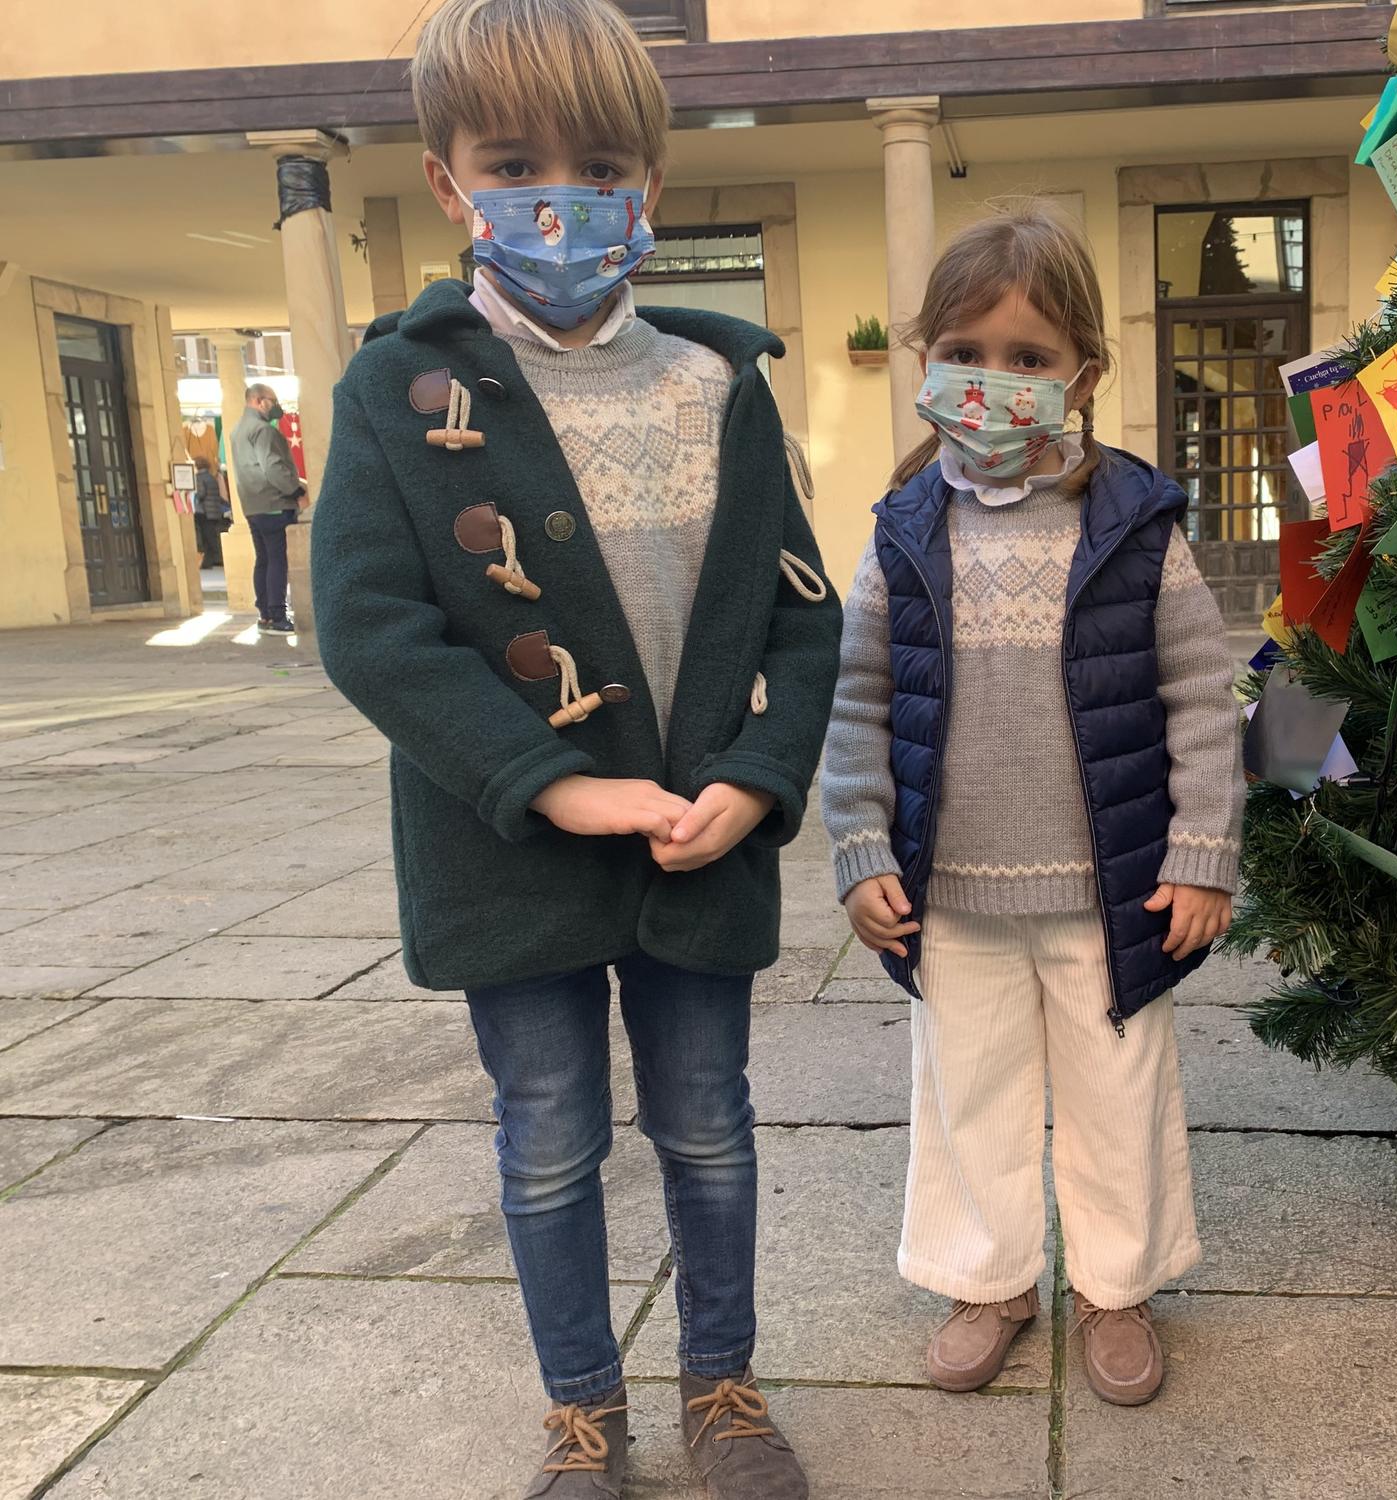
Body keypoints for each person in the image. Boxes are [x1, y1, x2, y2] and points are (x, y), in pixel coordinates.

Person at [309, 1, 841, 1494]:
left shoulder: (718, 385)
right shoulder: (394, 394)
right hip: (511, 858)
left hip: (700, 845)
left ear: (650, 186)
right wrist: (548, 779)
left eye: (600, 162)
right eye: (516, 159)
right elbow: (370, 624)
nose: (563, 192)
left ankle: (723, 1389)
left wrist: (758, 778)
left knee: (709, 1129)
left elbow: (804, 619)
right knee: (548, 1138)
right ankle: (581, 1412)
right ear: (447, 181)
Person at [820, 208, 1245, 1408]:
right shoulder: (903, 536)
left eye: (1027, 358)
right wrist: (858, 844)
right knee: (968, 1091)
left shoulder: (1135, 530)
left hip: (1109, 886)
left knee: (1118, 1090)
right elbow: (854, 696)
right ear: (923, 363)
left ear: (1082, 376)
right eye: (963, 350)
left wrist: (1203, 849)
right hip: (946, 888)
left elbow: (1202, 697)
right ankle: (987, 1275)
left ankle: (1116, 1286)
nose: (991, 380)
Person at [230, 383, 306, 630]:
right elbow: (273, 467)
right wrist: (296, 492)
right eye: (272, 400)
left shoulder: (237, 430)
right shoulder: (263, 431)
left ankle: (264, 612)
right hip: (274, 503)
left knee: (263, 559)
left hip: (252, 505)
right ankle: (277, 614)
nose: (275, 406)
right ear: (258, 400)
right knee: (276, 560)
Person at [190, 455, 230, 568]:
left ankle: (212, 560)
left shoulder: (199, 478)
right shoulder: (211, 477)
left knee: (206, 538)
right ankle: (210, 560)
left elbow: (201, 493)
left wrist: (194, 497)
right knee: (211, 536)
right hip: (213, 511)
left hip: (204, 512)